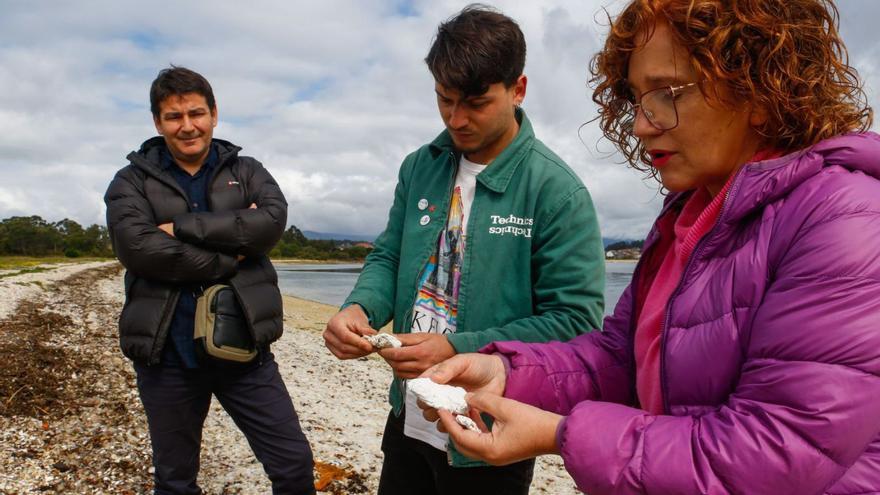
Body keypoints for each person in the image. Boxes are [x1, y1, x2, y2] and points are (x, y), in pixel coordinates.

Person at [418, 0, 880, 493]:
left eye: (666, 93)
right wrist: (506, 372)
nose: (641, 124)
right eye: (637, 98)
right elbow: (622, 357)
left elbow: (778, 452)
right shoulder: (690, 212)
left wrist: (562, 434)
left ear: (763, 86)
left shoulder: (844, 219)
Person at [322, 5, 605, 494]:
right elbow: (389, 256)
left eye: (475, 102)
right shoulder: (419, 167)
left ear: (518, 89)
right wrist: (359, 307)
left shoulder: (558, 192)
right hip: (408, 410)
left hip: (490, 427)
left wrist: (457, 345)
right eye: (444, 99)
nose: (457, 118)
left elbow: (575, 322)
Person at [104, 66, 315, 494]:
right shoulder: (131, 182)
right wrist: (228, 259)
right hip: (167, 356)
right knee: (175, 481)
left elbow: (271, 223)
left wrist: (180, 226)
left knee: (293, 465)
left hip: (244, 351)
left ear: (215, 114)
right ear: (157, 122)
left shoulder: (248, 169)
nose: (187, 126)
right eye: (173, 117)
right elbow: (137, 248)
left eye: (196, 113)